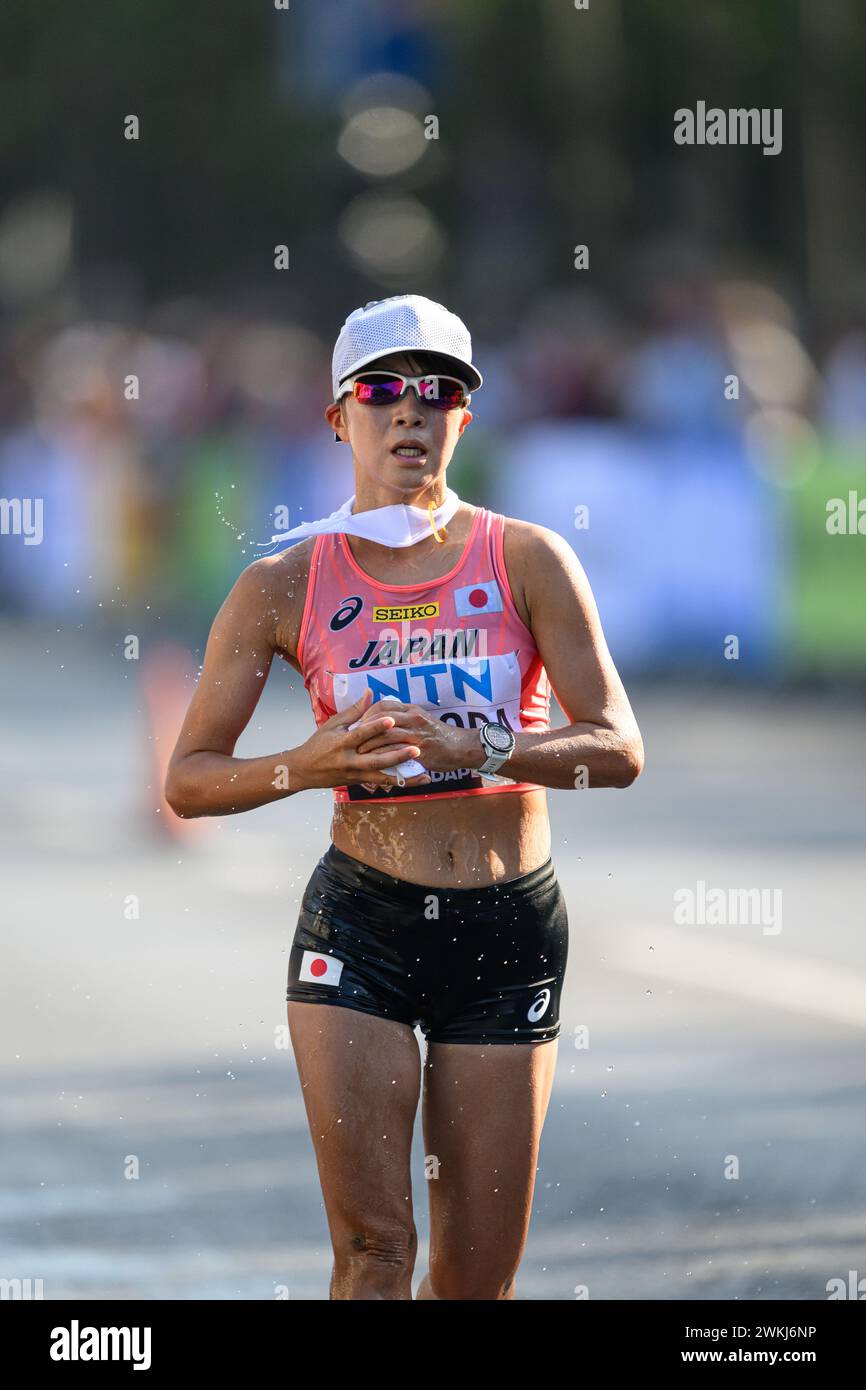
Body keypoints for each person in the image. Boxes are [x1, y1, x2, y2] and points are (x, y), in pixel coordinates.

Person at [165, 294, 644, 1301]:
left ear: (464, 417)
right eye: (382, 390)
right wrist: (312, 764)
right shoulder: (283, 582)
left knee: (471, 1282)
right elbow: (190, 777)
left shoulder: (526, 558)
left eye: (437, 391)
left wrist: (494, 741)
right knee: (375, 1255)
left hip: (506, 927)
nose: (409, 411)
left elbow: (618, 748)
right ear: (338, 416)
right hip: (362, 924)